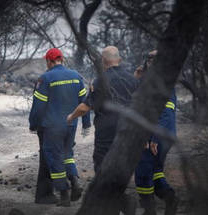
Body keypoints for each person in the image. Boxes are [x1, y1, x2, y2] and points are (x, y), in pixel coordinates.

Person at [29, 48, 87, 207]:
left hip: (52, 127)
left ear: (49, 61)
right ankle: (75, 182)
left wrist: (33, 124)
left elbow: (38, 107)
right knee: (67, 154)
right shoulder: (76, 76)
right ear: (62, 59)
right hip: (71, 125)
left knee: (54, 159)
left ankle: (64, 195)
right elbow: (85, 102)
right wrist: (86, 123)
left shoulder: (46, 78)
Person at [67, 46, 139, 172]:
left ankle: (104, 191)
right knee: (122, 162)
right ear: (120, 59)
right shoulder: (133, 79)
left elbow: (84, 108)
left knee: (103, 163)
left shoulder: (100, 81)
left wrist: (71, 116)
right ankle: (119, 190)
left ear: (103, 60)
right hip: (128, 128)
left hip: (106, 131)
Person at [133, 50, 178, 215]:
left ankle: (149, 209)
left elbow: (166, 113)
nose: (150, 61)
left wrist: (153, 139)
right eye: (149, 58)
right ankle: (170, 199)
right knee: (155, 171)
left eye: (154, 59)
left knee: (143, 172)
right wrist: (136, 77)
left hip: (157, 136)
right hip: (157, 135)